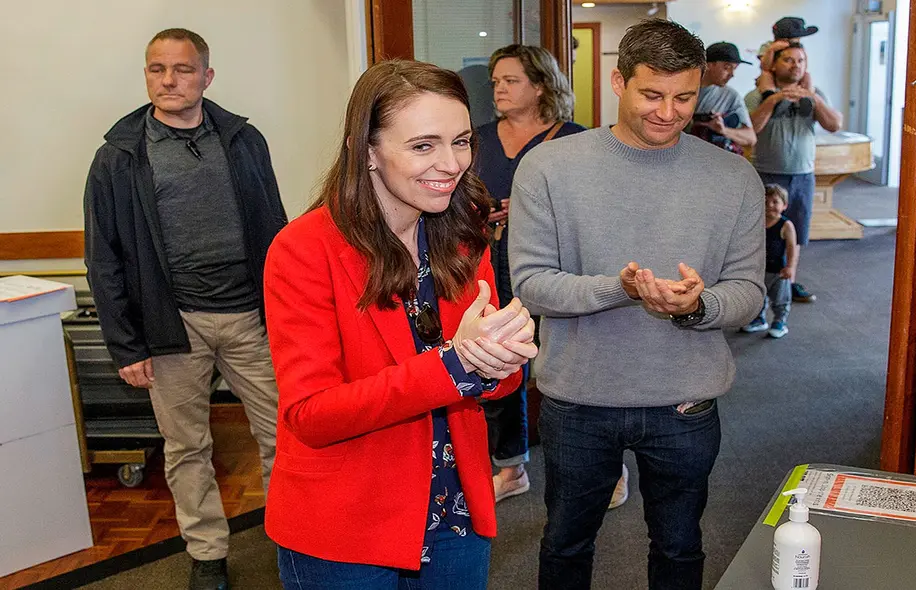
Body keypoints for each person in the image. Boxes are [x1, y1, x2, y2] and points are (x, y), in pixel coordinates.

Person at [508, 19, 765, 590]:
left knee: (679, 547)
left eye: (684, 97)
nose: (668, 112)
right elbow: (530, 283)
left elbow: (749, 293)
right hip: (579, 398)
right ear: (618, 81)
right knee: (566, 542)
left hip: (685, 402)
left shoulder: (733, 177)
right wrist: (617, 289)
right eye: (652, 94)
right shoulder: (549, 167)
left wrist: (696, 307)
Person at [262, 60, 538, 590]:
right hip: (346, 522)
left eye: (461, 141)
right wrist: (455, 365)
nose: (451, 163)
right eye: (423, 145)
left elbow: (496, 384)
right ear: (365, 150)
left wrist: (503, 354)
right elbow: (311, 415)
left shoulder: (462, 234)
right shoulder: (303, 249)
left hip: (454, 509)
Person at [83, 28, 286, 590]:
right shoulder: (118, 158)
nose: (168, 81)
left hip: (252, 319)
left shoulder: (244, 141)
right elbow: (104, 259)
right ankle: (207, 554)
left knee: (285, 437)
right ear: (146, 75)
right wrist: (126, 344)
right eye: (156, 70)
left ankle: (293, 538)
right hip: (172, 327)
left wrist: (291, 314)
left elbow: (277, 229)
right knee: (187, 447)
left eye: (182, 69)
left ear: (206, 76)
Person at [474, 44, 594, 504]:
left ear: (540, 84)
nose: (499, 89)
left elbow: (588, 212)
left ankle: (607, 466)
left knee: (568, 365)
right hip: (489, 263)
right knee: (499, 362)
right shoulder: (478, 136)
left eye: (511, 81)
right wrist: (477, 213)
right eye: (496, 82)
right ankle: (511, 467)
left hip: (556, 266)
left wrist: (527, 213)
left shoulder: (573, 139)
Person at [745, 42, 842, 304]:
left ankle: (787, 284)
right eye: (788, 60)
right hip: (767, 173)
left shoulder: (815, 93)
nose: (795, 65)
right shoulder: (757, 95)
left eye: (800, 61)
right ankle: (758, 284)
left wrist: (814, 100)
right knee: (763, 232)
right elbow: (750, 131)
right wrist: (774, 100)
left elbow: (834, 124)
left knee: (794, 232)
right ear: (775, 65)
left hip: (802, 175)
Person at [741, 184, 797, 338]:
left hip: (778, 271)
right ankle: (759, 319)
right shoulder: (756, 223)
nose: (769, 206)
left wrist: (790, 267)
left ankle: (780, 321)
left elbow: (791, 247)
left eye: (775, 202)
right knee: (758, 296)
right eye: (765, 202)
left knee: (780, 298)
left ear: (784, 205)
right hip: (758, 269)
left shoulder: (786, 225)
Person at [689, 41, 756, 154]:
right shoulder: (682, 89)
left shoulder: (731, 96)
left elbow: (750, 138)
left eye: (735, 69)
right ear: (708, 65)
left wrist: (723, 130)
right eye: (727, 68)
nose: (732, 74)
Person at [755, 17, 819, 93]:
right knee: (766, 76)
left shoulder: (799, 48)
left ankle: (808, 97)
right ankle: (768, 95)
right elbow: (765, 67)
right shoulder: (768, 46)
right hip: (773, 75)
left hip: (794, 77)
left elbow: (805, 64)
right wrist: (771, 50)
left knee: (807, 76)